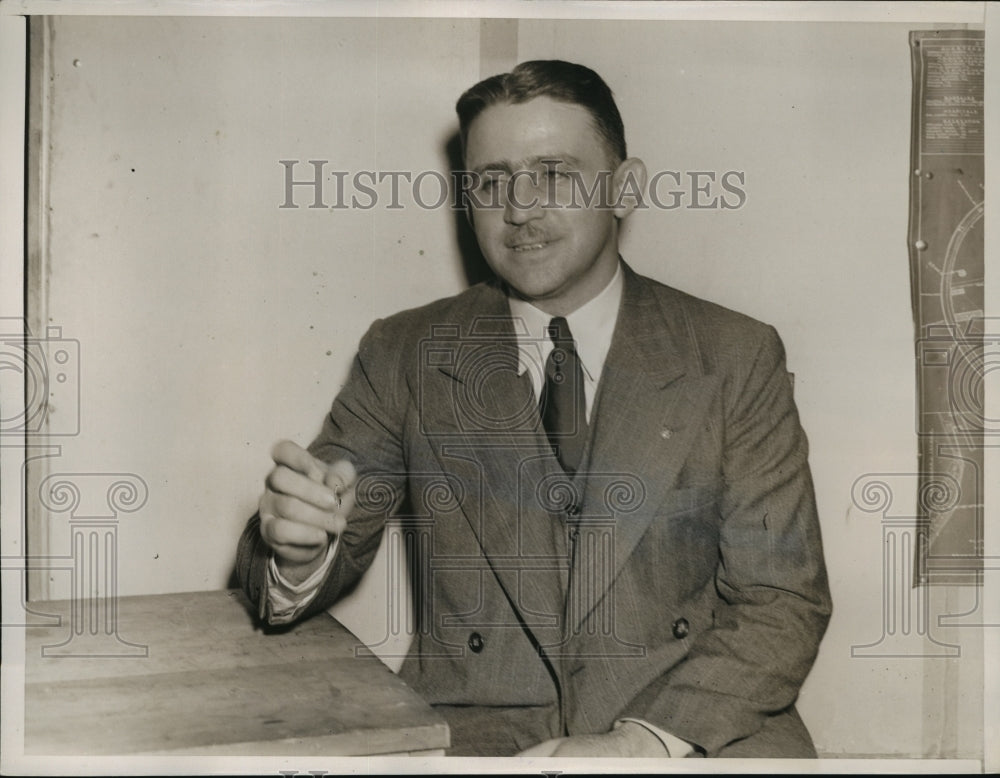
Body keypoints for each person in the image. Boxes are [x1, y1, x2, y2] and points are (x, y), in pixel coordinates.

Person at [236, 59, 832, 758]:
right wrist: (299, 551)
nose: (519, 208)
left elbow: (783, 602)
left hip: (691, 732)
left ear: (625, 187)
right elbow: (311, 546)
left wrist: (642, 745)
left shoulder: (734, 354)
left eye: (553, 173)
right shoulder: (406, 351)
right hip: (481, 739)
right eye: (491, 181)